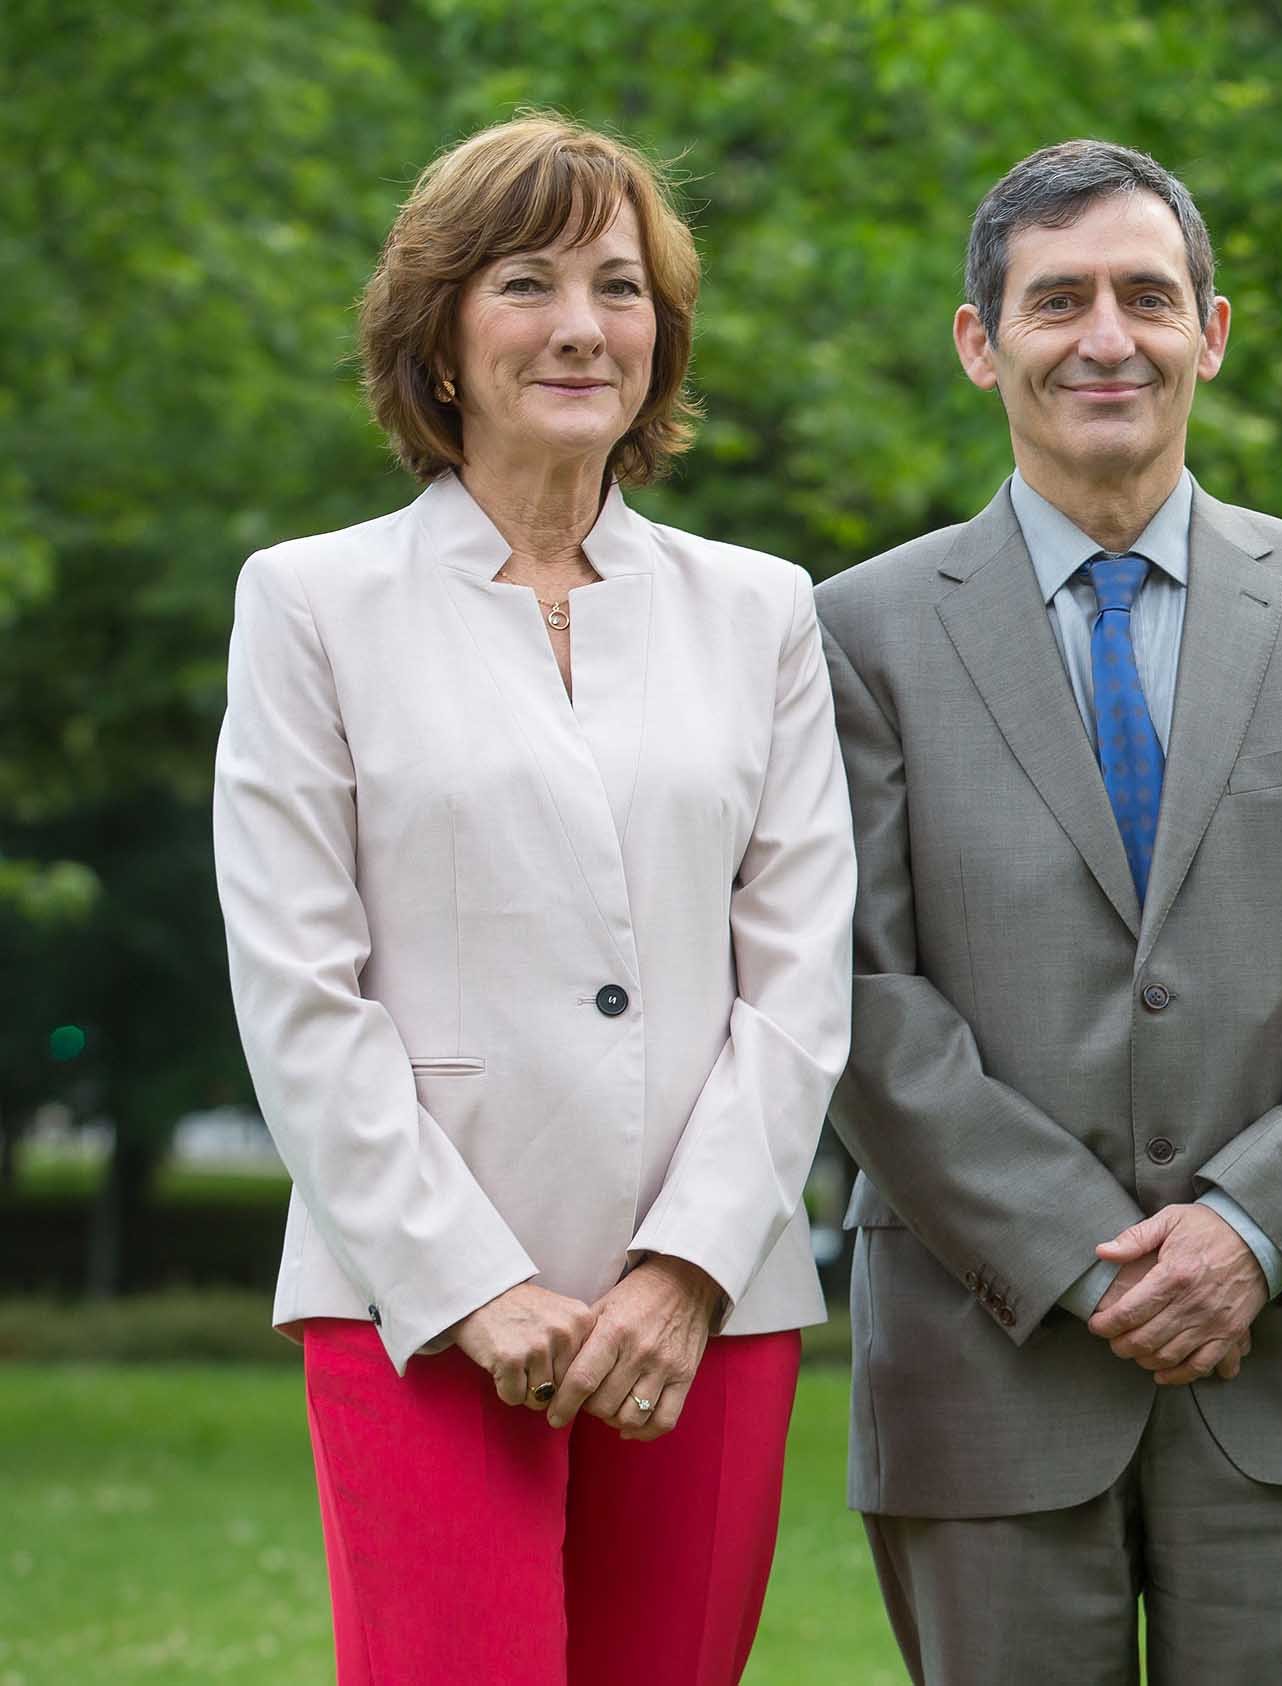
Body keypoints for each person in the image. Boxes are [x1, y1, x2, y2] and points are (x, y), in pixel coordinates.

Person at [815, 139, 1282, 1685]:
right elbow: (854, 984)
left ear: (1214, 330)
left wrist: (1254, 1231)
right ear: (982, 342)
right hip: (986, 1354)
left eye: (1145, 295)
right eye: (1057, 301)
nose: (1106, 336)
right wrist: (1086, 1254)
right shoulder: (854, 633)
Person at [211, 115, 853, 1684]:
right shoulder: (309, 604)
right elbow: (302, 986)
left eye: (620, 287)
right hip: (419, 1302)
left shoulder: (762, 610)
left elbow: (802, 972)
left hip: (707, 1308)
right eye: (527, 282)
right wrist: (470, 1281)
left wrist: (687, 1263)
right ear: (436, 331)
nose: (583, 325)